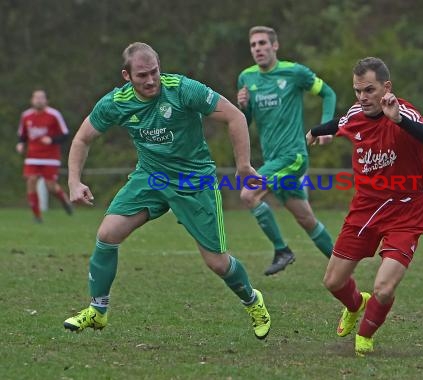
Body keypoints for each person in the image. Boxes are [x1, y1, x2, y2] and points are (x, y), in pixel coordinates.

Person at [63, 42, 271, 340]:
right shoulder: (116, 102)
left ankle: (252, 300)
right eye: (142, 75)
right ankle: (98, 310)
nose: (150, 81)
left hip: (194, 180)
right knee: (107, 234)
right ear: (126, 76)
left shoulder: (182, 89)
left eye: (154, 72)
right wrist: (74, 180)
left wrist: (243, 167)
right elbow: (82, 138)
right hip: (151, 177)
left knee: (216, 262)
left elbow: (234, 116)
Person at [306, 57, 423, 356]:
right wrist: (315, 131)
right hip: (366, 207)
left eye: (369, 90)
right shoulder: (355, 114)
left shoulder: (404, 113)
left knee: (384, 287)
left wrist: (398, 120)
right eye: (357, 91)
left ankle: (365, 336)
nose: (363, 97)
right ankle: (355, 304)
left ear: (386, 87)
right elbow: (338, 123)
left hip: (406, 209)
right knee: (333, 281)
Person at [237, 25, 337, 276]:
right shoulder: (246, 78)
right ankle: (342, 263)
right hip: (273, 158)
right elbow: (245, 121)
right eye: (253, 45)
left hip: (293, 155)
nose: (258, 49)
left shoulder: (294, 73)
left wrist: (325, 128)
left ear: (275, 46)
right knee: (306, 220)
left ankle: (282, 250)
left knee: (249, 194)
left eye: (262, 43)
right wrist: (244, 107)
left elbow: (328, 93)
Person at [16, 89, 73, 223]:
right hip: (32, 156)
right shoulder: (26, 116)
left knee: (50, 187)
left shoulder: (54, 115)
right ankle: (37, 215)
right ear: (32, 100)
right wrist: (20, 144)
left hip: (50, 157)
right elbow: (22, 135)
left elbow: (65, 134)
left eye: (42, 98)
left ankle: (64, 200)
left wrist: (52, 140)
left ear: (46, 100)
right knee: (31, 181)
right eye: (36, 98)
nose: (39, 100)